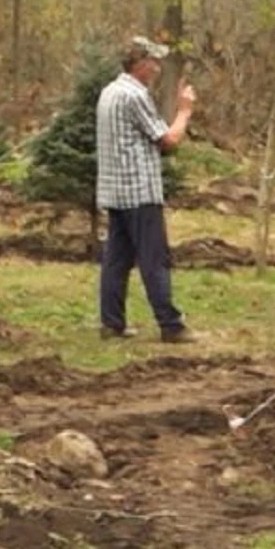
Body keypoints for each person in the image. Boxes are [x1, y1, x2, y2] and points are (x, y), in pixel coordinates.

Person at [94, 36, 197, 343]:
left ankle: (112, 323)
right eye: (152, 61)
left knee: (117, 259)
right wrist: (185, 111)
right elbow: (167, 141)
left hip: (115, 192)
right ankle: (171, 325)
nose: (156, 67)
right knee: (155, 259)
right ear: (139, 64)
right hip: (140, 193)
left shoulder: (109, 92)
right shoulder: (134, 96)